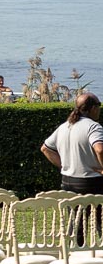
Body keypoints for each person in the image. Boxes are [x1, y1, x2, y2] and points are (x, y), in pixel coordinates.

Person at [41, 92, 103, 244]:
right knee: (100, 221)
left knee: (75, 224)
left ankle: (73, 254)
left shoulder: (65, 126)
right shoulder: (93, 127)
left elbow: (45, 148)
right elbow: (100, 149)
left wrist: (64, 165)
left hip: (68, 181)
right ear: (93, 108)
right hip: (91, 182)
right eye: (99, 107)